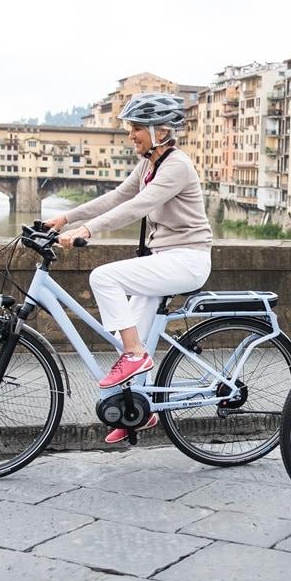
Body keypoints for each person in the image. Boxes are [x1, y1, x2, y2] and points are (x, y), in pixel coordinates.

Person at [45, 92, 213, 443]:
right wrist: (65, 217)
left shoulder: (177, 165)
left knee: (103, 277)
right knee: (130, 334)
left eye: (136, 128)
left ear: (160, 130)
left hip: (186, 260)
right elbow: (116, 197)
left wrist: (87, 230)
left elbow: (139, 206)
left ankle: (136, 356)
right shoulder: (149, 164)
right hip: (163, 260)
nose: (130, 134)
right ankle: (141, 410)